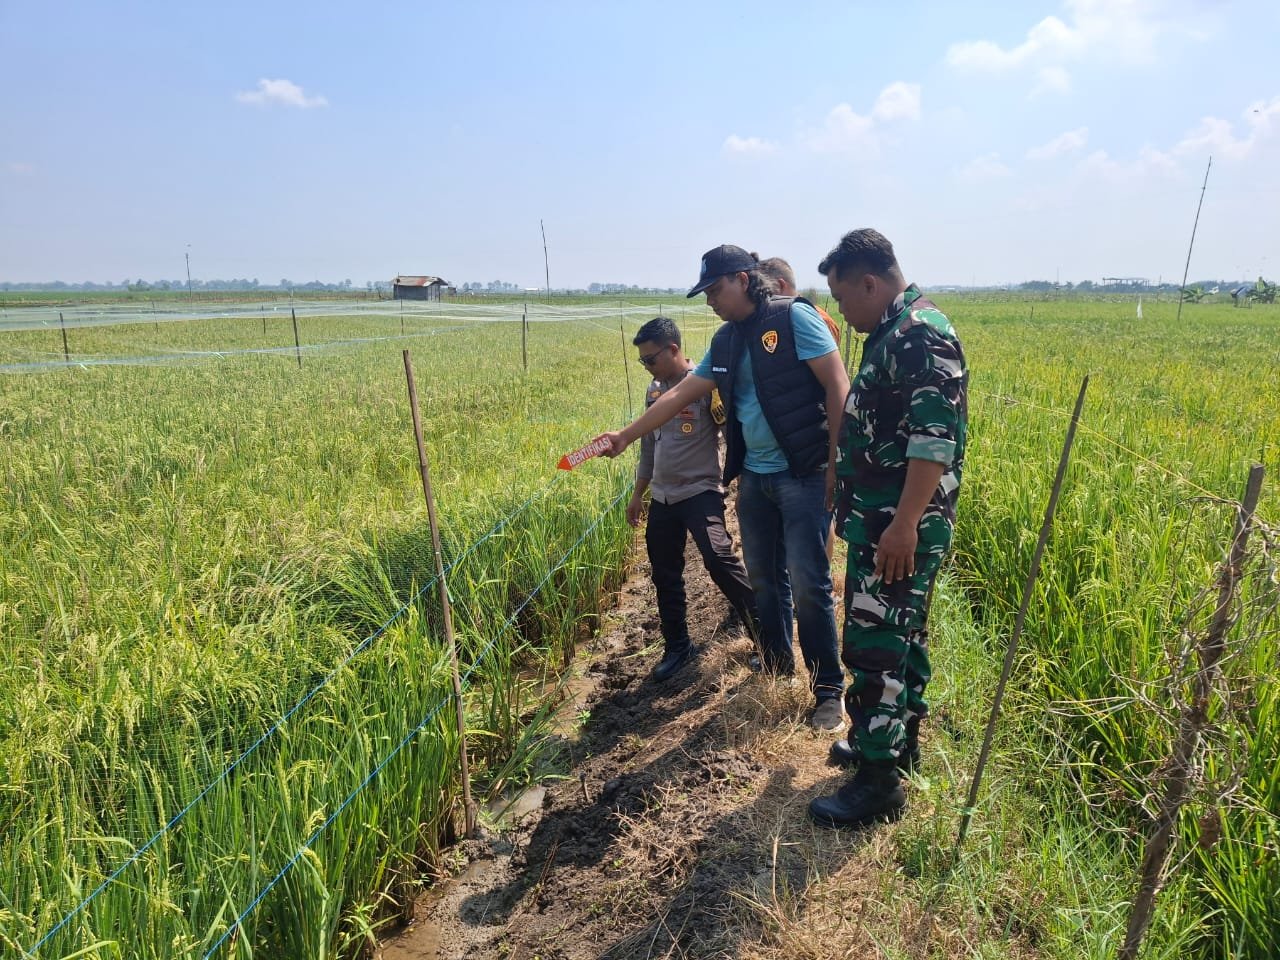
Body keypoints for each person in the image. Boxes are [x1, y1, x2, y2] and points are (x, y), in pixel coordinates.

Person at [600, 245, 850, 730]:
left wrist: (836, 463)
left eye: (715, 290)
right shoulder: (726, 340)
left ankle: (827, 692)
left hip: (803, 472)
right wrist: (625, 436)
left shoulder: (794, 318)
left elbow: (837, 385)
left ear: (743, 279)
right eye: (706, 293)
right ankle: (777, 665)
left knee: (809, 583)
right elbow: (679, 393)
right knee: (765, 580)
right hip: (754, 478)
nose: (711, 300)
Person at [807, 228, 968, 828]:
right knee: (903, 640)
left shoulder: (920, 333)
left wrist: (904, 524)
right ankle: (896, 747)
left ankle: (878, 784)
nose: (843, 314)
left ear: (870, 283)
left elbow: (933, 441)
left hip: (896, 527)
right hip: (882, 520)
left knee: (874, 648)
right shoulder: (894, 330)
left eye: (842, 298)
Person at [626, 316, 761, 682]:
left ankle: (766, 637)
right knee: (664, 573)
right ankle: (678, 646)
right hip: (663, 496)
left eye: (650, 359)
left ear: (673, 349)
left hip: (700, 491)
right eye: (642, 361)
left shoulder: (704, 385)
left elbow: (733, 435)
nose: (647, 366)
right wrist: (638, 494)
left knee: (719, 559)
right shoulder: (655, 391)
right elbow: (648, 447)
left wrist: (742, 486)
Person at [757, 256, 842, 564]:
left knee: (817, 523)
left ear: (780, 286)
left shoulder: (811, 318)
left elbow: (831, 382)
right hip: (788, 438)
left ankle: (823, 572)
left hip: (811, 435)